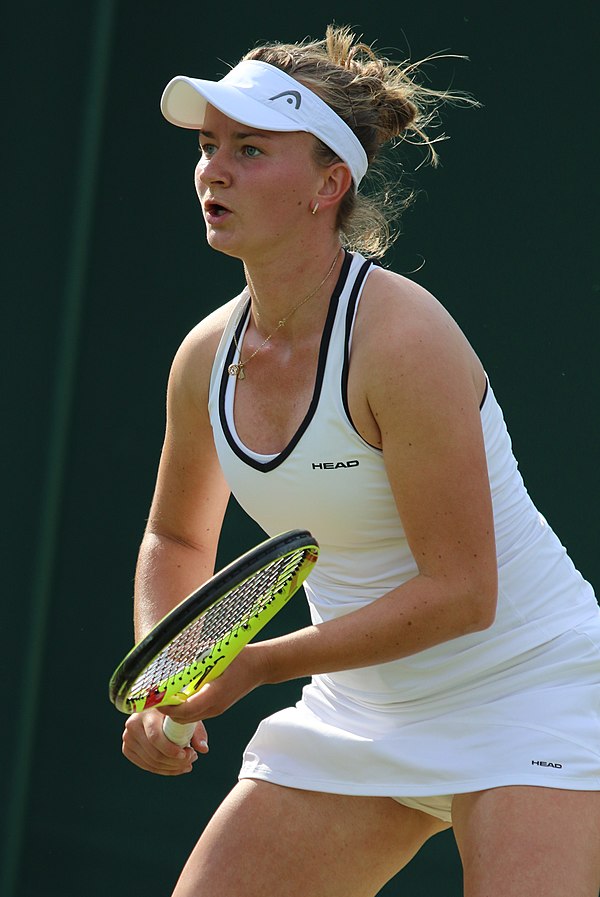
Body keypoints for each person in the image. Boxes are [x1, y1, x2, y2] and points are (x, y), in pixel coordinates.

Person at [121, 25, 600, 897]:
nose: (212, 170)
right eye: (208, 146)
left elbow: (463, 590)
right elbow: (173, 533)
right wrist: (169, 675)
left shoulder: (402, 338)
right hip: (362, 708)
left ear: (327, 185)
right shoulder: (205, 360)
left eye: (250, 149)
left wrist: (259, 662)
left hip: (528, 687)